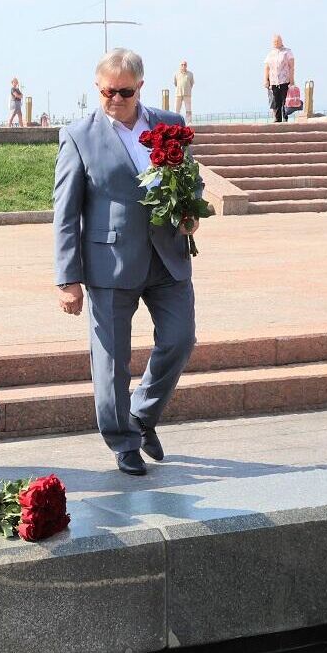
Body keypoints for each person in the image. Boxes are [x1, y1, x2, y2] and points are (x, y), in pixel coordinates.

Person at [52, 48, 200, 477]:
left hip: (167, 257)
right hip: (109, 262)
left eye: (124, 92)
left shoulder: (170, 126)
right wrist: (67, 278)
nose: (114, 100)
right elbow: (65, 211)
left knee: (180, 339)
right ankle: (122, 440)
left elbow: (189, 179)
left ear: (140, 87)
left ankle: (142, 415)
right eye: (106, 92)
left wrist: (189, 210)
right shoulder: (79, 136)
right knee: (112, 361)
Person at [263, 35, 295, 123]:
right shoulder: (270, 53)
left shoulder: (287, 52)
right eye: (274, 41)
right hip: (273, 81)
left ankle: (285, 118)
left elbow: (291, 66)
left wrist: (292, 81)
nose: (275, 43)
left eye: (277, 41)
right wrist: (266, 80)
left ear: (281, 41)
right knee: (275, 101)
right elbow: (266, 67)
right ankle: (277, 119)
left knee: (285, 101)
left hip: (285, 80)